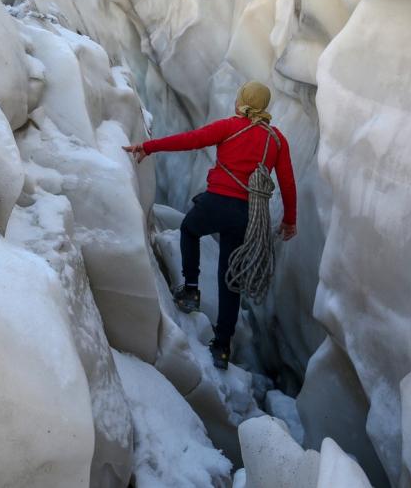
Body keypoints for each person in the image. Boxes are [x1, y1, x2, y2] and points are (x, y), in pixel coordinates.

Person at [123, 81, 297, 369]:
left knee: (189, 230)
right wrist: (290, 220)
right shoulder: (276, 140)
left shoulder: (229, 127)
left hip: (216, 203)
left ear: (242, 101)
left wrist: (148, 147)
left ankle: (191, 289)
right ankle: (223, 347)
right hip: (246, 214)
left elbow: (190, 140)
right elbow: (288, 183)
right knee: (230, 278)